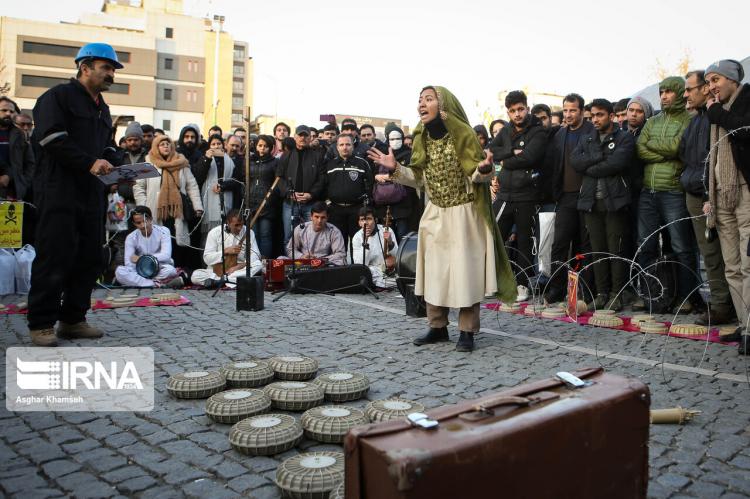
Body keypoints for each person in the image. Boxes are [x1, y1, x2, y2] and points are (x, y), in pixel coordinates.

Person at [369, 86, 516, 352]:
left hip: (464, 214)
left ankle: (467, 331)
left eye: (428, 99)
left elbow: (479, 174)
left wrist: (485, 169)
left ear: (444, 104)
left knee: (464, 273)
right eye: (419, 100)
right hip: (435, 213)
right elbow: (420, 179)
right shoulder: (422, 137)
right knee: (434, 272)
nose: (421, 105)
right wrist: (397, 170)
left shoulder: (465, 135)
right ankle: (437, 326)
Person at [26, 42, 122, 346]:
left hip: (91, 192)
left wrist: (116, 162)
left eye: (113, 69)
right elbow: (52, 139)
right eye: (106, 68)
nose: (111, 74)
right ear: (85, 67)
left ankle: (73, 319)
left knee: (90, 256)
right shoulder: (57, 97)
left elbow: (105, 145)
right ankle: (41, 323)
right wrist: (90, 162)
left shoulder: (102, 107)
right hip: (58, 190)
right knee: (55, 255)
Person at [636, 76, 699, 314]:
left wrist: (659, 148)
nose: (663, 96)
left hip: (673, 191)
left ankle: (686, 297)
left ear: (679, 93)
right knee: (645, 246)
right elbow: (641, 149)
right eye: (661, 92)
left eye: (668, 92)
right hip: (648, 192)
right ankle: (650, 294)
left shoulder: (689, 120)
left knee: (682, 247)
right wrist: (665, 154)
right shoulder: (652, 121)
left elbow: (677, 147)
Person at [679, 69, 735, 326]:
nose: (685, 94)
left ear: (704, 89)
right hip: (693, 194)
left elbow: (713, 161)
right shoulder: (694, 122)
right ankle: (722, 303)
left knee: (718, 255)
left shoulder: (716, 118)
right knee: (708, 252)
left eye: (690, 89)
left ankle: (723, 306)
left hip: (711, 196)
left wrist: (706, 194)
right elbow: (685, 156)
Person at [703, 59, 750, 354]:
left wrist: (716, 113)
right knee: (732, 266)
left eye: (716, 79)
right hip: (721, 194)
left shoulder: (746, 99)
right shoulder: (713, 112)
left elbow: (745, 130)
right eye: (708, 82)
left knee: (749, 264)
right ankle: (744, 325)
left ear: (732, 79)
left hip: (745, 190)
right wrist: (709, 193)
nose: (712, 87)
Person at [570, 98, 635, 311]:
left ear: (611, 116)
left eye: (600, 115)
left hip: (614, 201)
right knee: (597, 250)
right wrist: (599, 158)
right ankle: (601, 293)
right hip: (590, 201)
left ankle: (617, 294)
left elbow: (616, 163)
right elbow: (575, 161)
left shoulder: (624, 137)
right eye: (593, 115)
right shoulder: (587, 138)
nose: (595, 119)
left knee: (615, 250)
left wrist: (590, 165)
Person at [490, 90, 548, 301]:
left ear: (527, 108)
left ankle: (522, 284)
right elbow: (491, 151)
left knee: (524, 242)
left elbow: (531, 157)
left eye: (520, 109)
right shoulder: (505, 131)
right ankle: (493, 281)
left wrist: (506, 160)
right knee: (494, 237)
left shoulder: (538, 131)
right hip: (505, 195)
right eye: (513, 111)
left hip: (527, 195)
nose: (517, 114)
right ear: (508, 112)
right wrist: (512, 152)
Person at [544, 93, 596, 303]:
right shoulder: (560, 134)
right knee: (559, 245)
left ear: (582, 111)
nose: (568, 114)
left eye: (573, 110)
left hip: (586, 196)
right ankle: (557, 288)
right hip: (565, 197)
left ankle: (582, 289)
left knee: (583, 247)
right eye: (565, 110)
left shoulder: (591, 132)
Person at [134, 135, 203, 268]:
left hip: (177, 211)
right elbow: (139, 187)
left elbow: (191, 186)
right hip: (155, 211)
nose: (166, 146)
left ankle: (176, 272)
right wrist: (143, 208)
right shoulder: (147, 164)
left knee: (176, 243)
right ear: (156, 147)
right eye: (162, 144)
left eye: (168, 143)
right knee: (157, 243)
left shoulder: (181, 163)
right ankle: (157, 272)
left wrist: (197, 207)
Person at [323, 133, 373, 254]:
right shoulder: (330, 165)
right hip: (336, 210)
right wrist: (328, 203)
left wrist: (364, 204)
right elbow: (324, 185)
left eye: (348, 144)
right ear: (337, 147)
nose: (345, 147)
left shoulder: (362, 163)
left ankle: (356, 269)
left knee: (358, 244)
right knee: (339, 244)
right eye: (341, 144)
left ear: (353, 146)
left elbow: (370, 184)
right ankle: (340, 270)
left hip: (356, 210)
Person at [276, 125, 324, 245]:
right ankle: (290, 263)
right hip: (290, 204)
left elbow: (322, 178)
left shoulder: (317, 156)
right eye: (300, 135)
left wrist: (311, 194)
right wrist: (289, 193)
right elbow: (279, 178)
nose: (302, 138)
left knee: (313, 237)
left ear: (310, 138)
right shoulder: (286, 155)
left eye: (305, 135)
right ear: (294, 137)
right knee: (289, 237)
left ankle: (311, 262)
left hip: (310, 204)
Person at [191, 209, 263, 288]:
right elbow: (207, 258)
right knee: (195, 275)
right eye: (236, 225)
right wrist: (225, 251)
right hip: (218, 271)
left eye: (241, 225)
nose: (240, 228)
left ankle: (221, 281)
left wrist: (238, 267)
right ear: (228, 223)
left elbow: (256, 255)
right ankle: (229, 280)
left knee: (258, 264)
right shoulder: (215, 232)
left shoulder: (249, 232)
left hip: (239, 270)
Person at [114, 206, 183, 287]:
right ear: (134, 224)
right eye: (138, 223)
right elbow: (129, 263)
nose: (143, 225)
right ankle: (155, 283)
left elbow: (166, 256)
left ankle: (139, 282)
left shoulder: (164, 231)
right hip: (140, 270)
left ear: (150, 219)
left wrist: (141, 259)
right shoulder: (131, 237)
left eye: (145, 221)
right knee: (120, 271)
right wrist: (142, 267)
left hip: (159, 267)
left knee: (170, 271)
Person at [374, 123, 420, 241]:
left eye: (398, 138)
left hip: (404, 204)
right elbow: (373, 174)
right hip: (385, 205)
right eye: (392, 139)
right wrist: (377, 176)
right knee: (387, 239)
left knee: (402, 236)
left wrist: (389, 176)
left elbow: (412, 175)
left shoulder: (410, 155)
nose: (395, 141)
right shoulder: (382, 154)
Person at [244, 134, 280, 258]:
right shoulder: (249, 161)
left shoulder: (275, 162)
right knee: (253, 235)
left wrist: (271, 198)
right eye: (260, 145)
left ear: (270, 148)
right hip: (251, 201)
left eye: (265, 146)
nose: (262, 148)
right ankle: (254, 262)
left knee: (265, 234)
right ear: (256, 146)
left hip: (267, 203)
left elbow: (278, 183)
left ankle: (265, 263)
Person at [195, 134, 236, 240]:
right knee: (209, 236)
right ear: (209, 146)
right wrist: (207, 159)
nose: (216, 146)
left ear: (223, 145)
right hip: (210, 200)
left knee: (225, 235)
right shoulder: (204, 158)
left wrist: (223, 186)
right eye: (213, 144)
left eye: (219, 143)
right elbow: (199, 176)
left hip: (225, 199)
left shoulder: (230, 161)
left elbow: (235, 181)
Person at [286, 201, 347, 265]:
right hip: (304, 262)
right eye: (316, 217)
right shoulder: (301, 228)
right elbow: (290, 250)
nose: (319, 221)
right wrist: (301, 256)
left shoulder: (334, 231)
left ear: (327, 218)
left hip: (324, 264)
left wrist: (321, 260)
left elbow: (341, 253)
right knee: (280, 259)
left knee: (341, 262)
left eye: (323, 217)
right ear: (311, 216)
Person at [352, 206, 398, 287]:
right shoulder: (357, 237)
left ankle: (383, 283)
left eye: (369, 219)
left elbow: (397, 256)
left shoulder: (387, 230)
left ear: (375, 220)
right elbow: (360, 265)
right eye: (362, 220)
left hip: (388, 269)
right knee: (367, 273)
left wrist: (390, 243)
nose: (366, 223)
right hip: (372, 271)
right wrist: (365, 242)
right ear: (359, 223)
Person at [0, 97, 34, 203]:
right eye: (4, 110)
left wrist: (23, 183)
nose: (8, 113)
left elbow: (30, 163)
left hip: (12, 194)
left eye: (11, 111)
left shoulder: (20, 135)